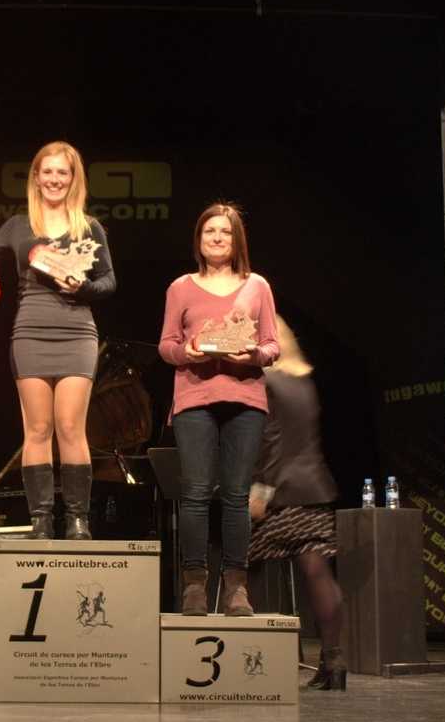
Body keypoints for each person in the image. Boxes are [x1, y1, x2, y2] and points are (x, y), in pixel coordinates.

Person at [158, 203, 278, 616]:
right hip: (195, 399)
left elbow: (272, 345)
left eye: (225, 232)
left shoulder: (257, 286)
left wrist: (253, 355)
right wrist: (187, 353)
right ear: (199, 239)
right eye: (210, 231)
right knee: (194, 494)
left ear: (236, 240)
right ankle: (194, 585)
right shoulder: (180, 287)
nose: (217, 238)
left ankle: (236, 588)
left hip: (245, 400)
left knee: (236, 497)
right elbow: (167, 345)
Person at [0, 141, 115, 540]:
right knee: (38, 428)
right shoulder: (17, 226)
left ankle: (78, 519)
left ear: (73, 178)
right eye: (48, 171)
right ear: (36, 176)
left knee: (70, 426)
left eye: (63, 172)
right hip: (30, 332)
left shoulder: (89, 227)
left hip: (77, 332)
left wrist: (83, 287)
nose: (55, 179)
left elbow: (109, 281)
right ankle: (41, 521)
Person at [248, 315, 345, 691]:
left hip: (281, 492)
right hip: (314, 489)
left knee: (240, 572)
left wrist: (261, 490)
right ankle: (334, 663)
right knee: (318, 574)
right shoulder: (304, 379)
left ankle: (246, 661)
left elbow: (270, 441)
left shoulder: (267, 381)